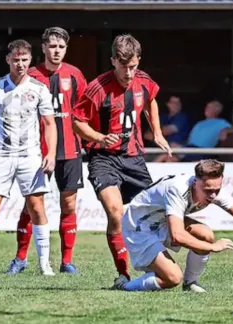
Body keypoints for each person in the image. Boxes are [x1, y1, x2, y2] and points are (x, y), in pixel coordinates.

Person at [72, 34, 172, 288]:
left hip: (134, 159)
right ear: (113, 61)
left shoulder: (144, 81)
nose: (129, 73)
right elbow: (76, 121)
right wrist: (99, 137)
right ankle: (123, 274)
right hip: (103, 159)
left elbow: (151, 102)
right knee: (116, 213)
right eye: (124, 66)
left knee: (154, 214)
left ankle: (162, 265)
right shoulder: (97, 88)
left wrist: (157, 132)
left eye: (133, 67)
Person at [0, 39, 57, 276]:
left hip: (30, 156)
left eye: (25, 60)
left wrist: (51, 153)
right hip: (1, 155)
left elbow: (49, 123)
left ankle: (45, 264)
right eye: (16, 60)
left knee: (36, 207)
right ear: (8, 60)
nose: (21, 64)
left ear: (30, 60)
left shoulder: (39, 88)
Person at [114, 159, 233, 292]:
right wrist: (213, 247)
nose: (213, 195)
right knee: (172, 279)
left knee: (205, 233)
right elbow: (177, 235)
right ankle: (125, 286)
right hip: (139, 227)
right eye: (208, 190)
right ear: (195, 182)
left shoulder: (212, 188)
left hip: (161, 220)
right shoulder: (177, 189)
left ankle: (190, 283)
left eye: (217, 189)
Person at [6, 27, 86, 275]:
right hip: (35, 151)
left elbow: (83, 112)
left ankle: (67, 261)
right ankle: (20, 258)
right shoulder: (29, 75)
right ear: (43, 48)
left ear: (66, 49)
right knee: (32, 205)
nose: (57, 51)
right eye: (52, 46)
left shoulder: (75, 75)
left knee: (69, 204)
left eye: (61, 47)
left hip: (70, 150)